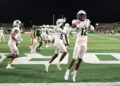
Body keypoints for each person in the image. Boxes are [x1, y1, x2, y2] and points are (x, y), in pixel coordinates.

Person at [64, 10, 94, 82]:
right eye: (80, 15)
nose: (81, 16)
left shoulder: (87, 21)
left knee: (80, 59)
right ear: (78, 16)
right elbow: (73, 26)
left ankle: (74, 73)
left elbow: (92, 29)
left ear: (85, 15)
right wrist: (78, 24)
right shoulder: (76, 21)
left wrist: (89, 25)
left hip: (84, 43)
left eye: (82, 15)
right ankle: (67, 72)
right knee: (74, 58)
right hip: (78, 42)